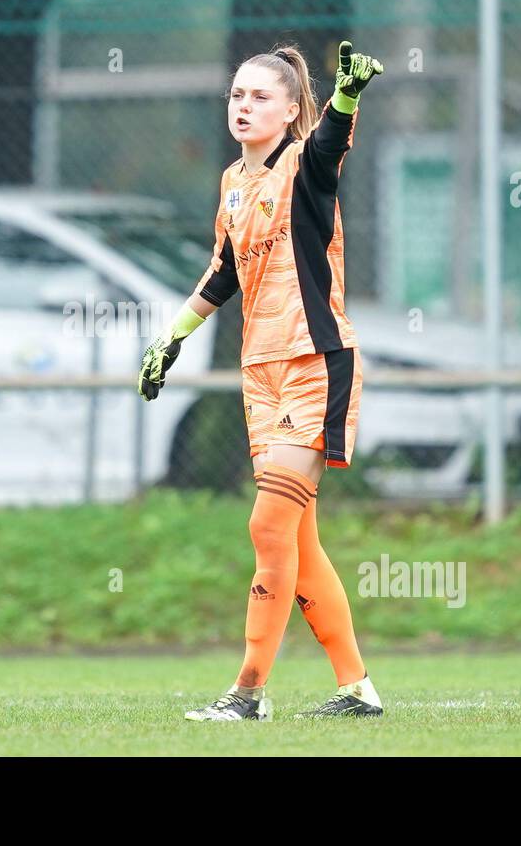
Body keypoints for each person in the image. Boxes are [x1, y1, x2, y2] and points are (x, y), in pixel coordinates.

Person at [138, 40, 384, 721]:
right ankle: (357, 689)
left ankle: (247, 693)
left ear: (290, 109)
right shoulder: (232, 183)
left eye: (261, 97)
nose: (245, 106)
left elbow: (332, 141)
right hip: (261, 372)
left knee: (268, 525)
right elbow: (223, 271)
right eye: (237, 95)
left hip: (313, 360)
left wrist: (346, 97)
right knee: (295, 541)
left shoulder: (306, 163)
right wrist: (171, 338)